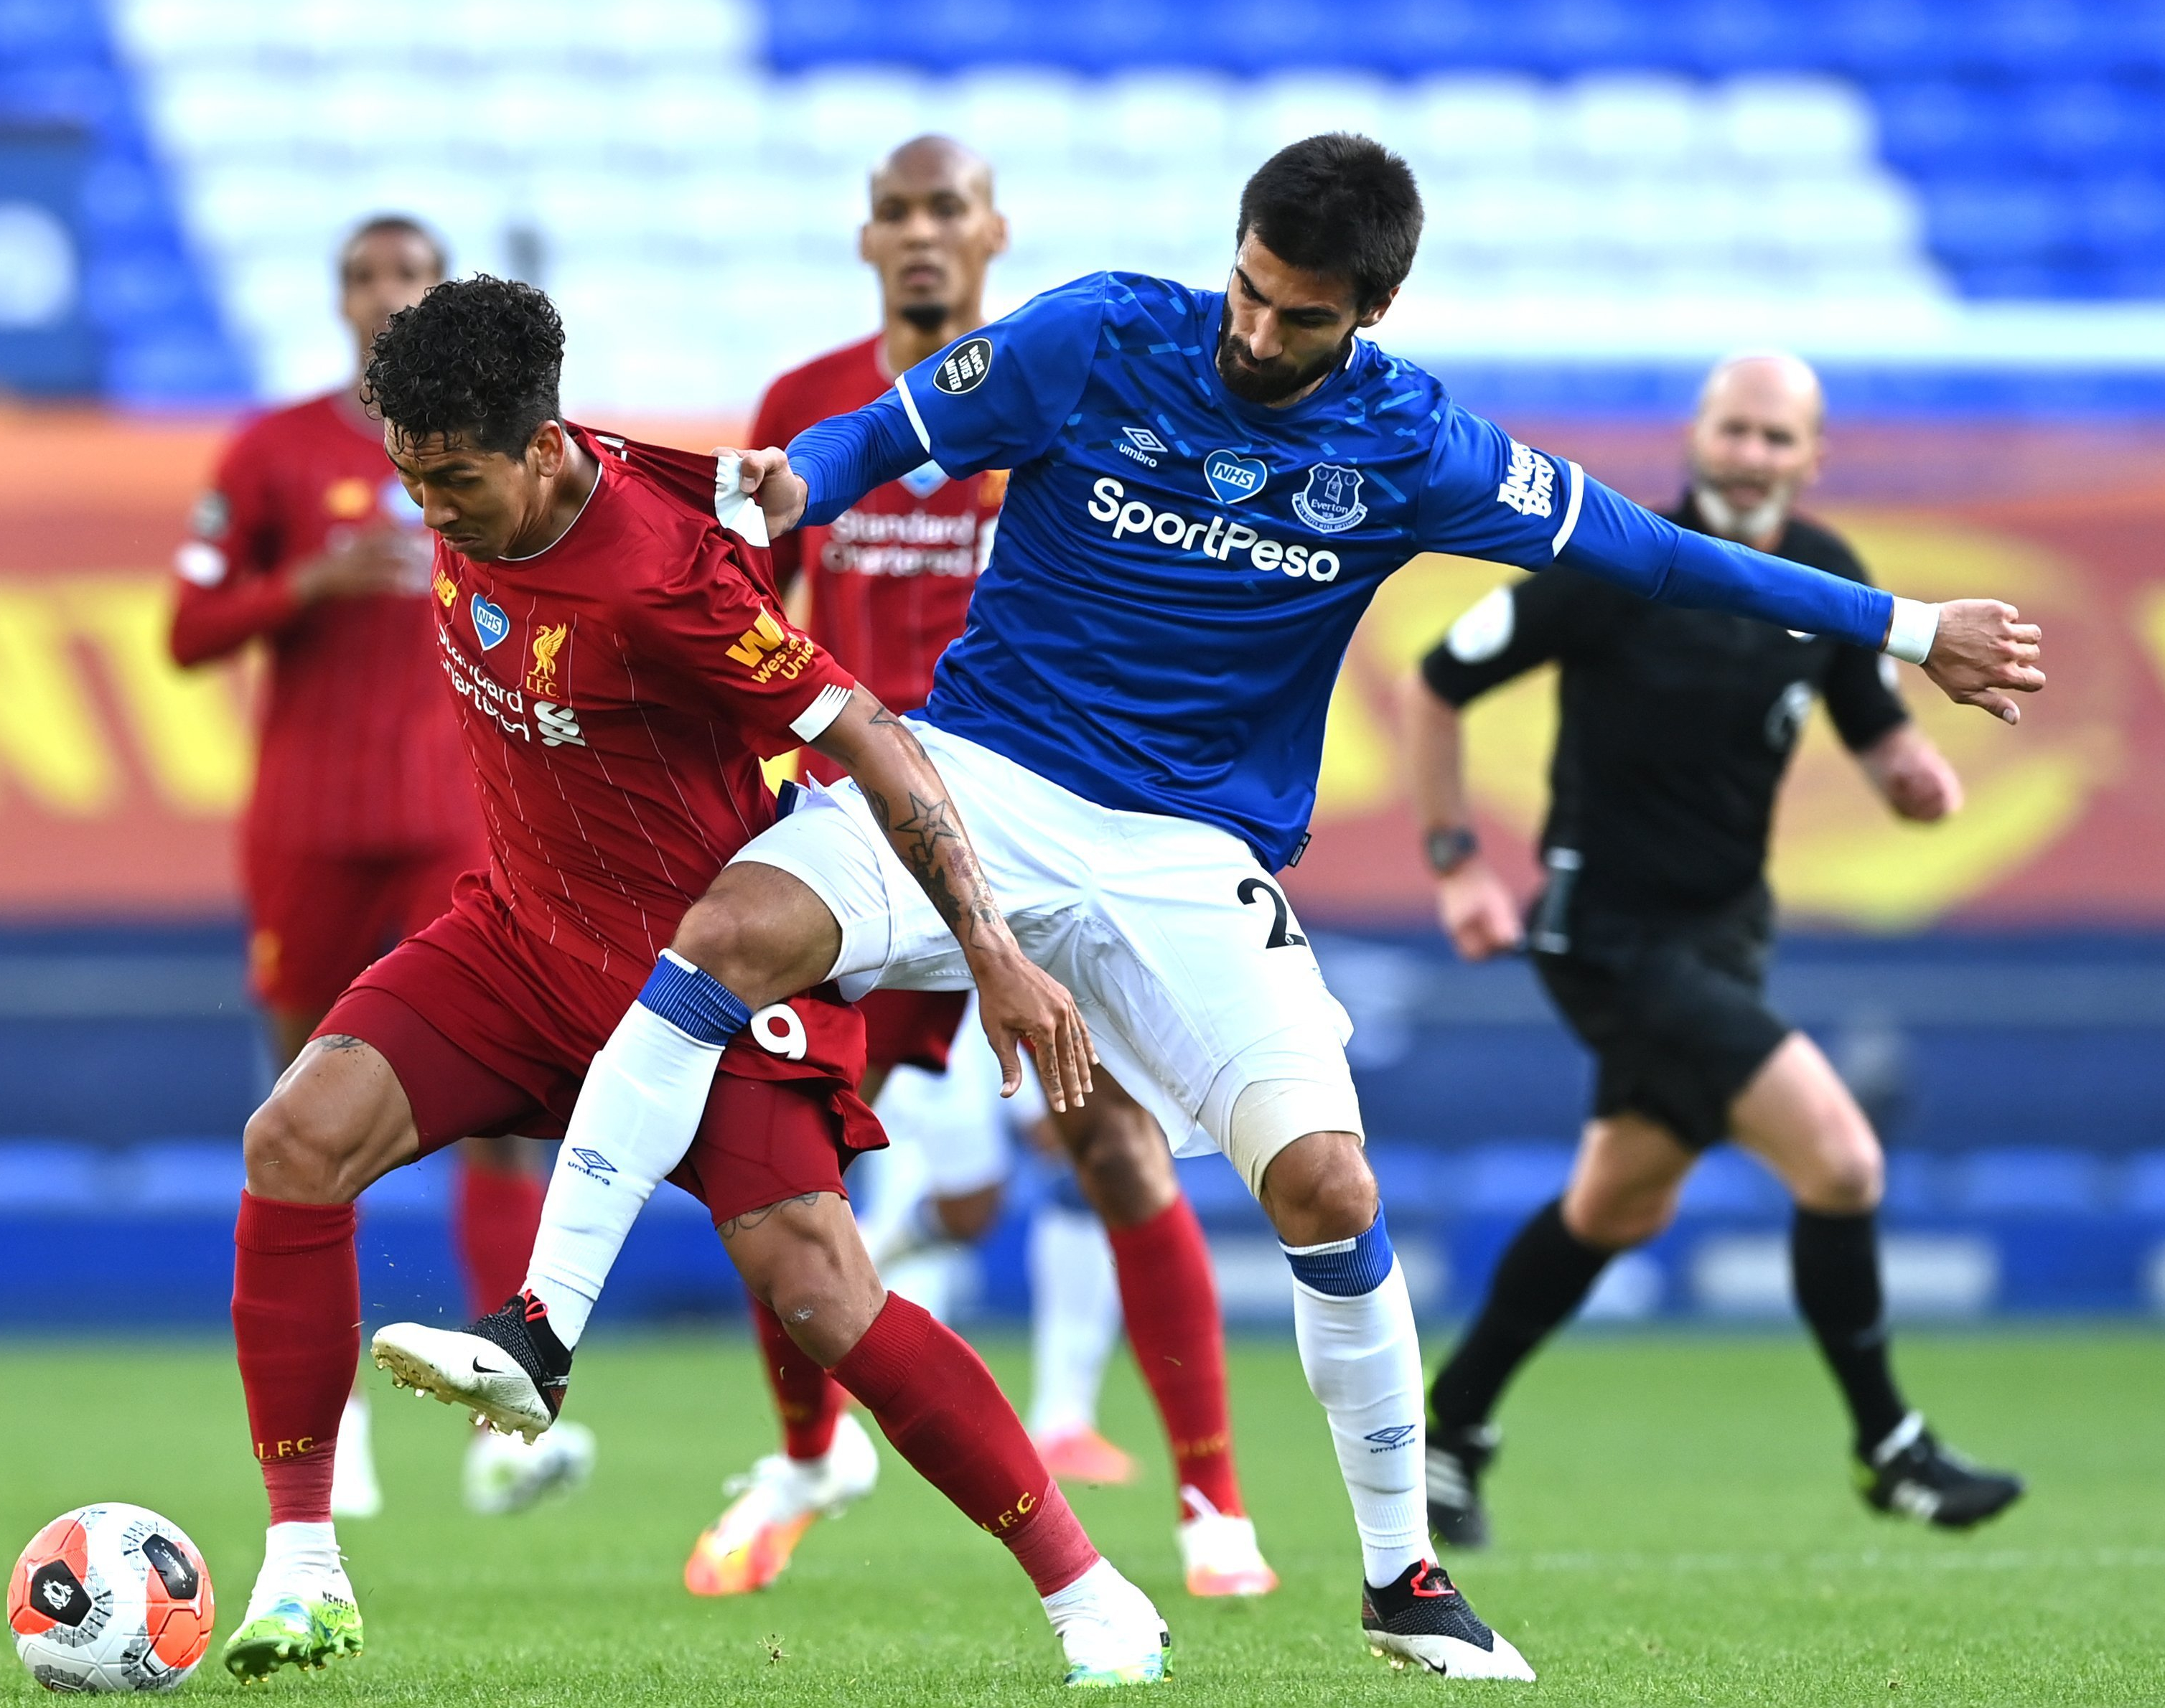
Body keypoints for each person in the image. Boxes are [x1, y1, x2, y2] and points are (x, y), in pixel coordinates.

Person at [412, 134, 2043, 1683]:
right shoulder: (1104, 336)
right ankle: (545, 1326)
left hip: (1193, 858)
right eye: (1249, 287)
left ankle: (1405, 1575)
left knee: (1329, 1182)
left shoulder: (1413, 445)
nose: (1260, 329)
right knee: (720, 933)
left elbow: (1653, 552)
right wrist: (795, 489)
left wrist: (1903, 627)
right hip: (983, 770)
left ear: (1372, 316)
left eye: (1301, 313)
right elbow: (893, 428)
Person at [224, 276, 1169, 1689]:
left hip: (698, 986)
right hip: (518, 943)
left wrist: (992, 953)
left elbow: (874, 739)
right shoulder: (516, 455)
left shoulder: (662, 579)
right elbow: (694, 469)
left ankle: (1093, 1593)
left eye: (455, 483)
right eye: (410, 480)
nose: (433, 515)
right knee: (294, 1139)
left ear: (540, 451)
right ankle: (303, 1571)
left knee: (821, 1295)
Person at [681, 133, 1274, 1605]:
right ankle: (811, 1455)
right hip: (862, 851)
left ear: (995, 231)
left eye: (950, 207)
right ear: (866, 239)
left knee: (1119, 1147)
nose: (925, 233)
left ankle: (1213, 1505)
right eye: (900, 211)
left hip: (1043, 827)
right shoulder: (810, 413)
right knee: (777, 1164)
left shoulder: (1069, 390)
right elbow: (749, 614)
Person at [1403, 351, 2026, 1547]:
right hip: (1607, 934)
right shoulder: (1615, 562)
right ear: (1694, 438)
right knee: (1840, 1161)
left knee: (1614, 1206)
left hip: (1725, 935)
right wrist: (1453, 861)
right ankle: (1888, 1447)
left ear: (1813, 457)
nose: (1750, 455)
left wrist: (1911, 776)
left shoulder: (1831, 575)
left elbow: (1872, 727)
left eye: (1775, 438)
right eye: (1732, 430)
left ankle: (1453, 1432)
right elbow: (1436, 685)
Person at [167, 217, 573, 1519]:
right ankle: (334, 1435)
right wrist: (305, 584)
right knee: (302, 1114)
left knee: (501, 1120)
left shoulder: (493, 458)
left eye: (408, 277)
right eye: (362, 277)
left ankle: (508, 1414)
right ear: (338, 298)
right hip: (307, 824)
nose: (383, 295)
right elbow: (186, 628)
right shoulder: (274, 452)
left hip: (456, 824)